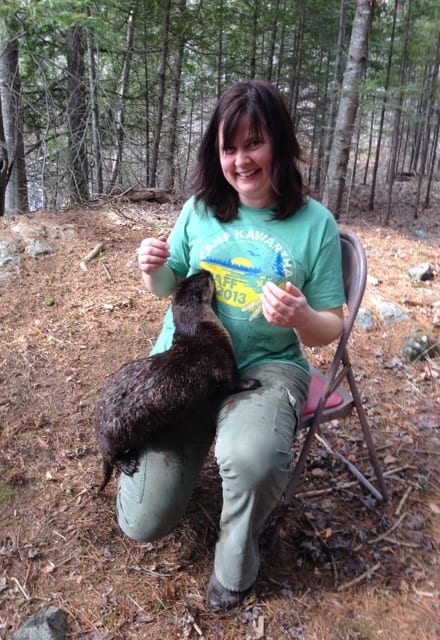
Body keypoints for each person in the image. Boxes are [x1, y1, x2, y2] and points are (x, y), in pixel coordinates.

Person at [119, 79, 346, 611]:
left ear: (281, 145)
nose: (241, 160)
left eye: (254, 143)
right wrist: (151, 269)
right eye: (229, 147)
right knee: (142, 523)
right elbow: (168, 285)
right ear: (215, 152)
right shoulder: (200, 209)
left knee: (250, 456)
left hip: (266, 368)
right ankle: (184, 459)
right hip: (188, 360)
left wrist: (303, 316)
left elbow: (332, 326)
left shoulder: (316, 225)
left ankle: (235, 564)